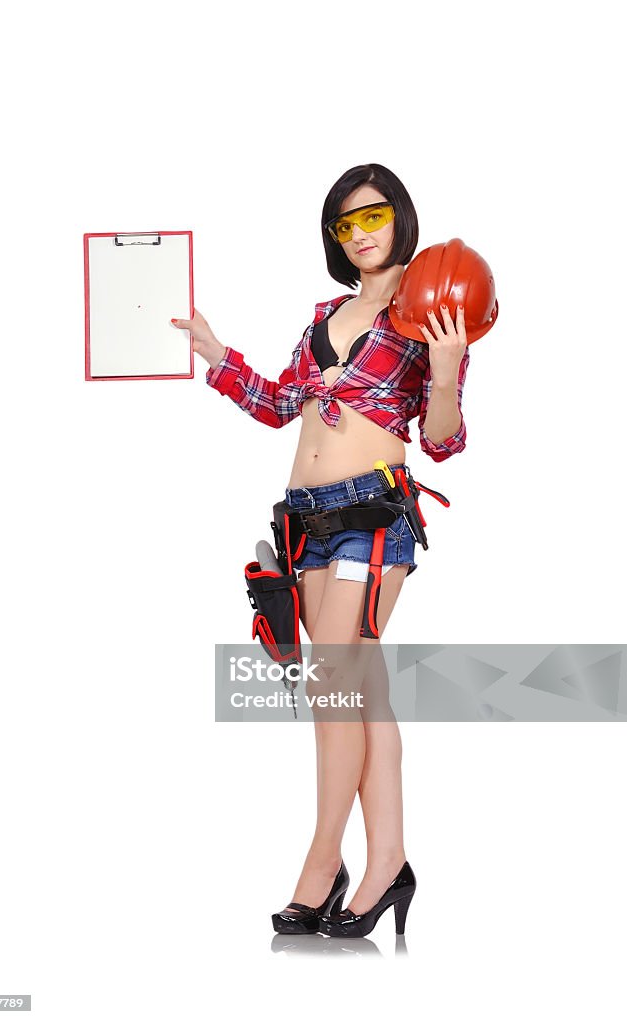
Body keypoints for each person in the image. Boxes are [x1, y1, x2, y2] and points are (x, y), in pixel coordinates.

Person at [172, 163, 469, 938]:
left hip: (373, 513)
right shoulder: (327, 315)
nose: (361, 233)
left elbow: (444, 439)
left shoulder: (429, 306)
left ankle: (323, 862)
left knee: (336, 691)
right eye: (345, 224)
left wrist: (444, 376)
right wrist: (216, 352)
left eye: (372, 216)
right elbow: (279, 406)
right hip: (305, 522)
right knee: (354, 696)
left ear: (399, 217)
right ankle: (390, 863)